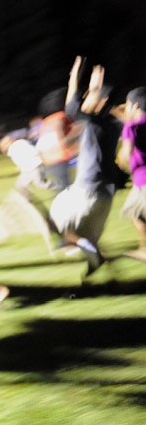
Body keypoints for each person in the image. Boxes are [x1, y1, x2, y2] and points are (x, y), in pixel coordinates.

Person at [48, 57, 129, 277]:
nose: (86, 99)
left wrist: (75, 75)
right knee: (87, 239)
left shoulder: (93, 121)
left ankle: (96, 259)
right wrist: (96, 88)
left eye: (91, 97)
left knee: (56, 223)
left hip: (88, 190)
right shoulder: (115, 123)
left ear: (100, 102)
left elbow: (71, 104)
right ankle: (100, 268)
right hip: (106, 193)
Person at [118, 86, 146, 261]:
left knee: (133, 210)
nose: (126, 108)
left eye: (127, 105)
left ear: (135, 106)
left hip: (143, 179)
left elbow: (126, 152)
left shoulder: (131, 126)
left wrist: (119, 162)